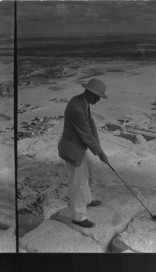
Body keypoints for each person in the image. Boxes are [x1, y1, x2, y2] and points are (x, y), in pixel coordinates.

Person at [58, 78, 109, 228]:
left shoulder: (82, 101)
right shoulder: (77, 108)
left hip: (78, 147)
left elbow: (91, 123)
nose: (99, 99)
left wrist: (98, 147)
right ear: (90, 93)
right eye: (97, 96)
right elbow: (86, 135)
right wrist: (100, 154)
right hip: (72, 149)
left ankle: (87, 201)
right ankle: (78, 217)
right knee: (77, 183)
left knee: (83, 176)